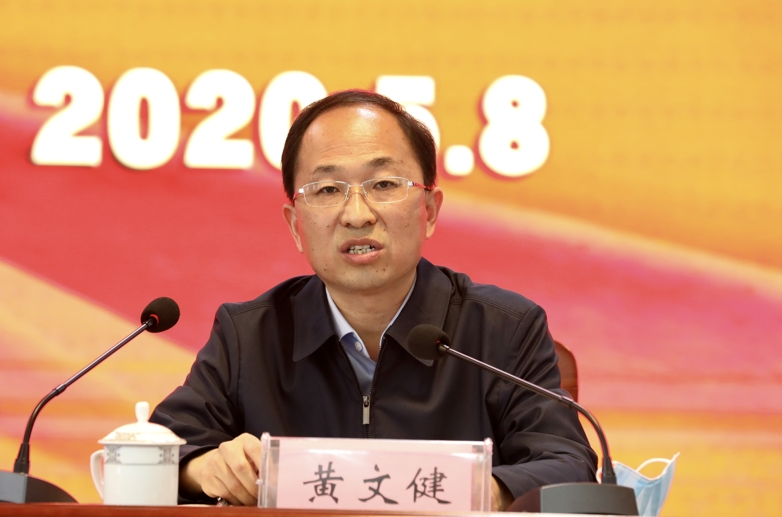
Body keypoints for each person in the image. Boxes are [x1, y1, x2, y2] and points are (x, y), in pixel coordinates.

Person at [150, 90, 597, 509]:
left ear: (429, 211)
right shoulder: (248, 336)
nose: (357, 214)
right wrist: (203, 468)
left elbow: (569, 466)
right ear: (295, 225)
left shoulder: (504, 329)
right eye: (328, 190)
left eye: (383, 184)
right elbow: (157, 451)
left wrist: (473, 491)